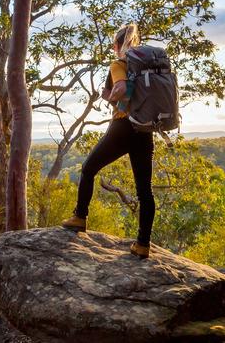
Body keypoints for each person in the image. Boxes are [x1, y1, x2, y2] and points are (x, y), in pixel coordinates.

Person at [61, 23, 155, 259]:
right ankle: (143, 244)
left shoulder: (119, 64)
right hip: (144, 130)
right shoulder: (145, 67)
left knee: (88, 168)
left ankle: (80, 217)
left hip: (123, 126)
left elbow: (121, 89)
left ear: (116, 45)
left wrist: (111, 98)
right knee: (145, 191)